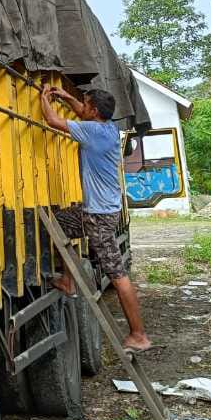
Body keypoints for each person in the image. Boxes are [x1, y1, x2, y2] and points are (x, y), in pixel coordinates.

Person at [40, 85, 152, 353]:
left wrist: (44, 98)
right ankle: (68, 280)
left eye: (86, 104)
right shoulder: (109, 128)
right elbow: (81, 111)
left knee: (118, 275)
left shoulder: (91, 131)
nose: (82, 106)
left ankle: (139, 335)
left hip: (99, 216)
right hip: (99, 211)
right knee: (61, 224)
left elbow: (52, 120)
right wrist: (67, 97)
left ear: (94, 111)